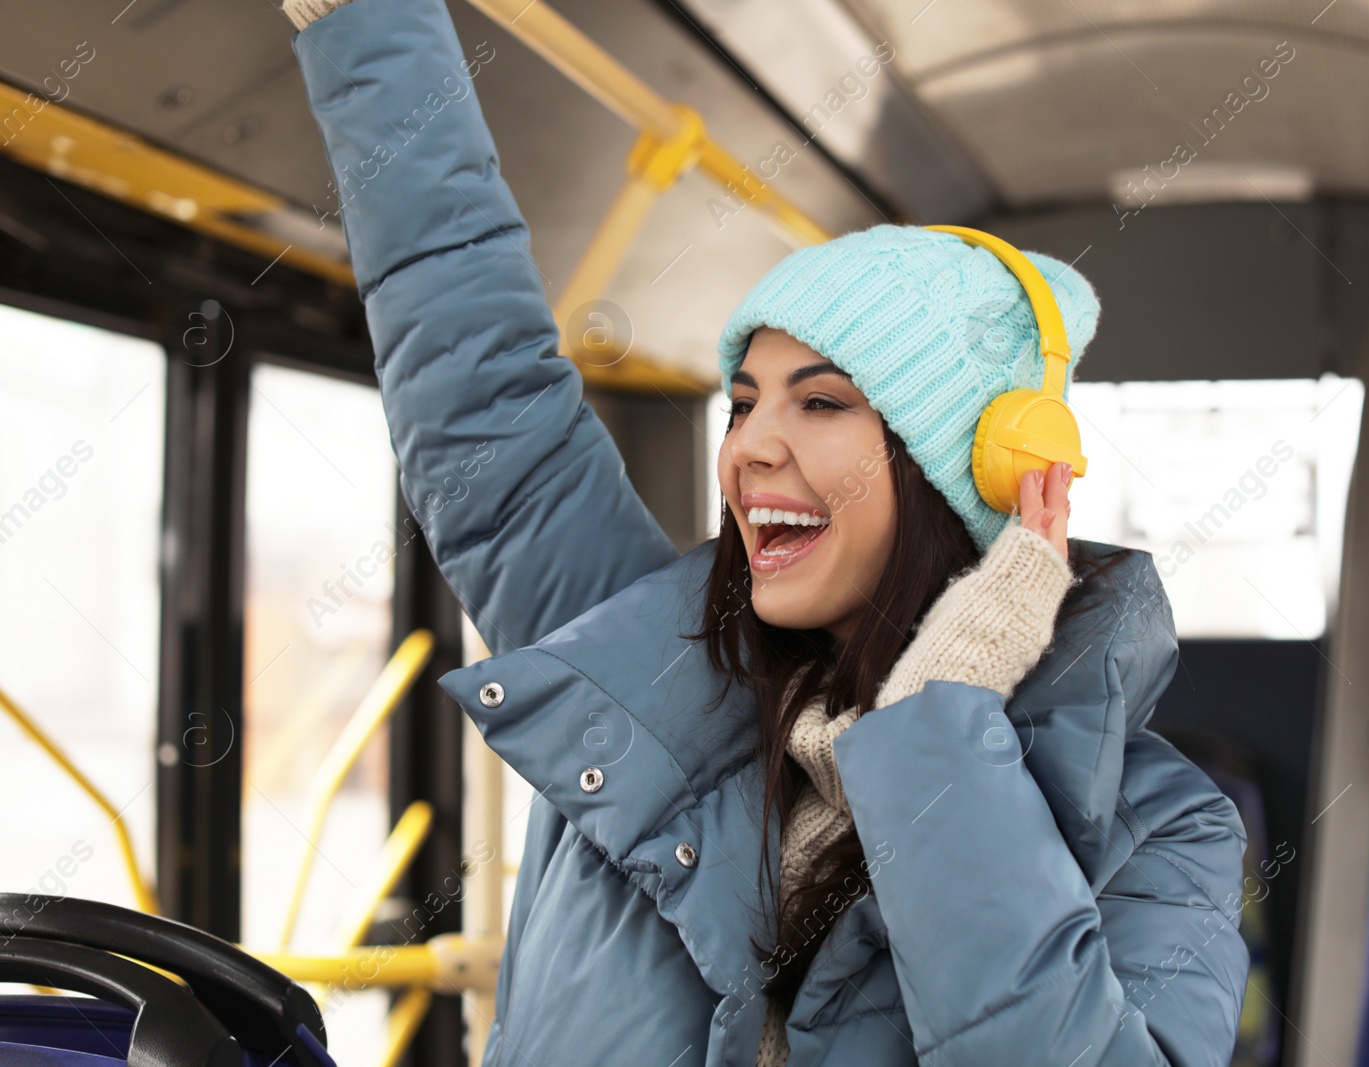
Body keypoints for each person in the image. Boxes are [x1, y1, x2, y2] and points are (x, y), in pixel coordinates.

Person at [283, 0, 1251, 1063]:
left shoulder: (1162, 831)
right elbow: (477, 383)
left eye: (820, 403)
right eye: (742, 402)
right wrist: (365, 23)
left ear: (974, 473)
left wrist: (941, 722)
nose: (748, 445)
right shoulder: (646, 668)